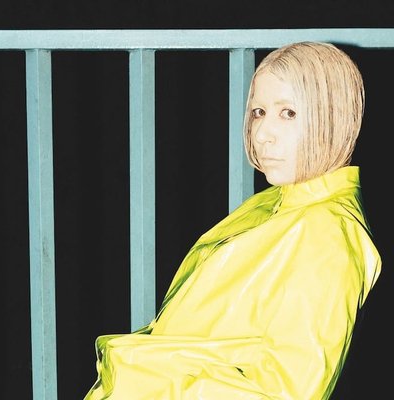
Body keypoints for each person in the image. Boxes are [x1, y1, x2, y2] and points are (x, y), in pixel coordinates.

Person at [84, 41, 381, 399]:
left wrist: (150, 373)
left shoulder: (326, 234)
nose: (263, 134)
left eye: (288, 113)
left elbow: (286, 392)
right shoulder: (279, 203)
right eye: (259, 112)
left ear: (336, 117)